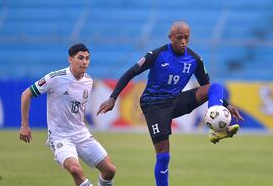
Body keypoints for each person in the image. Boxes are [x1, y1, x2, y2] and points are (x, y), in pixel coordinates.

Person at [97, 21, 243, 186]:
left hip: (175, 100)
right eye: (179, 38)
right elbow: (130, 73)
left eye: (186, 38)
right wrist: (113, 98)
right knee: (164, 155)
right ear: (170, 38)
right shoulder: (156, 55)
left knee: (215, 87)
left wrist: (227, 105)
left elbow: (206, 85)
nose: (183, 42)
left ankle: (218, 129)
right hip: (153, 105)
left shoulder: (195, 60)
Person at [20, 43, 116, 186]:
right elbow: (26, 94)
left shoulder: (88, 81)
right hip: (60, 136)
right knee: (75, 169)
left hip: (81, 134)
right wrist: (25, 125)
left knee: (110, 170)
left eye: (87, 58)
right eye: (80, 58)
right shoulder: (55, 78)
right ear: (70, 59)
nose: (84, 62)